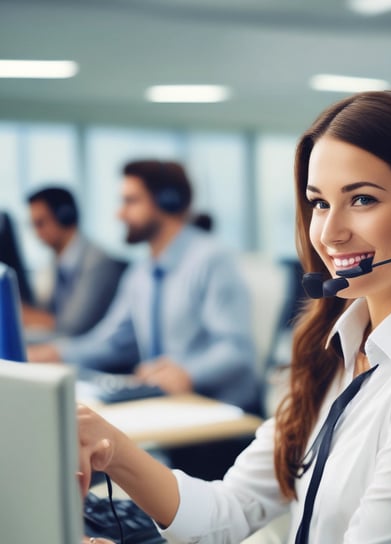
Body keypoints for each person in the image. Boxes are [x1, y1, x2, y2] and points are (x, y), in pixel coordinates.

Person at [77, 90, 391, 543]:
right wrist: (109, 446)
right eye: (319, 203)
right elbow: (225, 514)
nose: (329, 232)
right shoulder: (337, 355)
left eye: (362, 199)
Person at [28, 161, 258, 412]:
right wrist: (56, 354)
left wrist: (188, 373)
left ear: (167, 202)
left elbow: (237, 350)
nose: (120, 214)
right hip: (168, 406)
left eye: (131, 201)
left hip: (220, 411)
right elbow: (112, 342)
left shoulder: (212, 260)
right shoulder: (141, 273)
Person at [21, 187, 126, 337]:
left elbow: (72, 328)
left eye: (40, 223)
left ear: (65, 216)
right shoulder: (52, 263)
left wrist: (27, 315)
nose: (36, 233)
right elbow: (45, 311)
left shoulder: (97, 262)